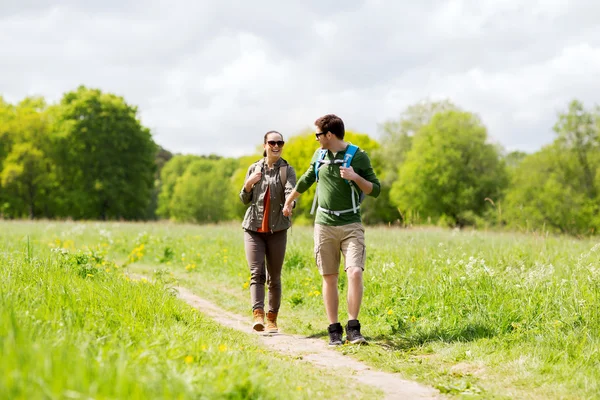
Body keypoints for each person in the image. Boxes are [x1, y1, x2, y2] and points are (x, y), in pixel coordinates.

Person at [283, 114, 380, 345]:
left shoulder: (358, 156)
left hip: (351, 224)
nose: (316, 139)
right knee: (329, 277)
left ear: (329, 135)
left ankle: (353, 328)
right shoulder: (319, 155)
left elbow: (375, 189)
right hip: (324, 225)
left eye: (318, 134)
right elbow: (307, 179)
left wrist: (356, 177)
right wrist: (289, 201)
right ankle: (334, 329)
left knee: (355, 272)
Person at [240, 131, 297, 333]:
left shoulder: (287, 170)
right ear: (264, 145)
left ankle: (272, 319)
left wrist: (289, 205)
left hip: (278, 229)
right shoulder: (254, 168)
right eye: (272, 142)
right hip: (253, 228)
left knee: (275, 276)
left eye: (279, 142)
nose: (276, 145)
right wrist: (248, 184)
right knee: (257, 273)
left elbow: (291, 190)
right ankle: (258, 315)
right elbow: (244, 198)